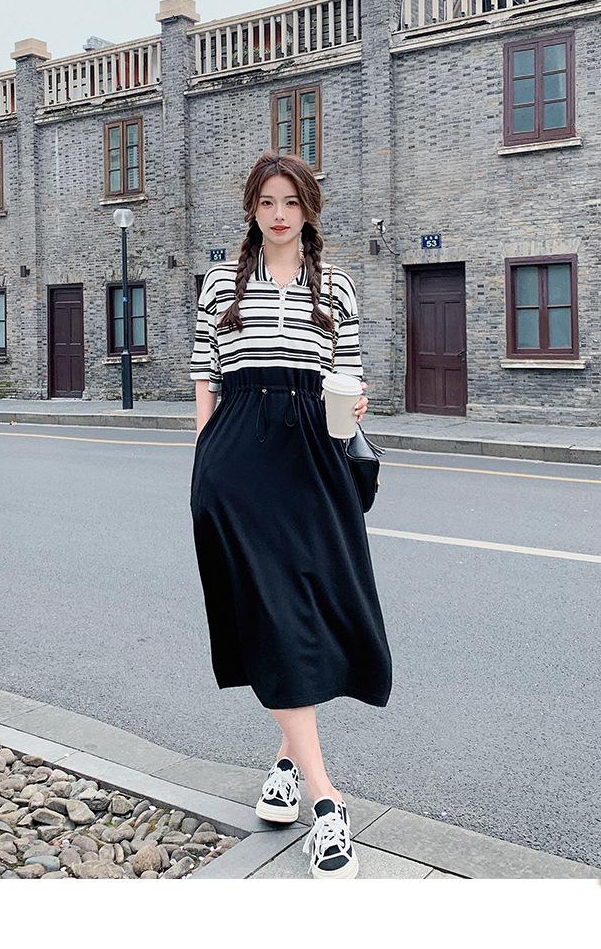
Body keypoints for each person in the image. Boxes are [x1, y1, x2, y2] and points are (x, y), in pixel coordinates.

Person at [189, 151, 393, 879]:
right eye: (267, 202)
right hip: (239, 461)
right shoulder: (221, 283)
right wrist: (204, 466)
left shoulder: (335, 285)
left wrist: (356, 404)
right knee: (270, 613)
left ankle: (284, 767)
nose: (279, 215)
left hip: (314, 453)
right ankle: (327, 802)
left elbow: (351, 376)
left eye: (292, 202)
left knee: (313, 608)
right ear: (252, 208)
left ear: (309, 209)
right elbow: (206, 382)